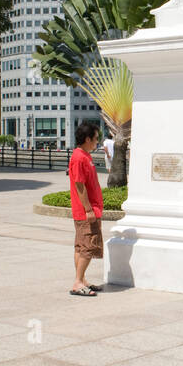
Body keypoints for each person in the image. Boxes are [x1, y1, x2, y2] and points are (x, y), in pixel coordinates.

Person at [68, 120, 105, 296]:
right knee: (88, 247)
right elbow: (79, 185)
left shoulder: (85, 156)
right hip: (86, 212)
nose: (97, 142)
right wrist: (88, 209)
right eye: (96, 138)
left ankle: (82, 280)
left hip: (88, 210)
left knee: (81, 247)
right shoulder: (79, 157)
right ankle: (77, 282)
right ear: (88, 138)